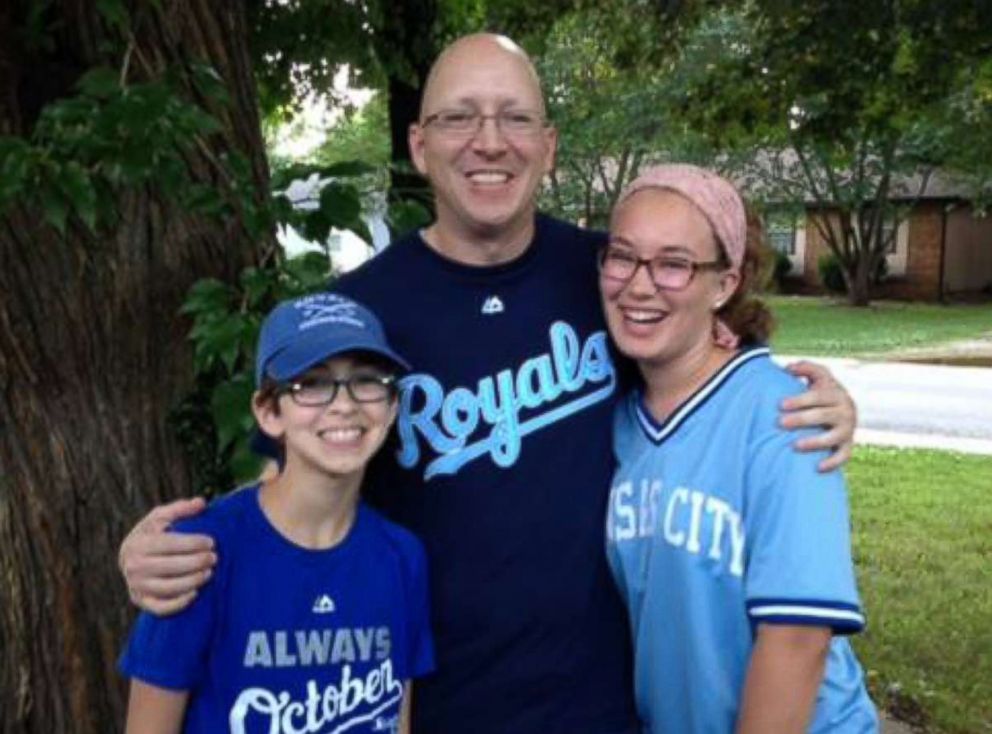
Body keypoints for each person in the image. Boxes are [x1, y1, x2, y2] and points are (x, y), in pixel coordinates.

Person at [118, 34, 858, 734]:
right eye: (458, 117)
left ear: (549, 145)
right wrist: (172, 554)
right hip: (437, 703)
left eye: (514, 117)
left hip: (601, 708)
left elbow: (709, 350)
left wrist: (821, 398)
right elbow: (283, 489)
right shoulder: (360, 315)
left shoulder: (606, 273)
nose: (490, 141)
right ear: (418, 143)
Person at [602, 164, 877, 732]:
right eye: (623, 255)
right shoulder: (618, 418)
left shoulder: (787, 415)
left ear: (724, 284)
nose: (639, 284)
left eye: (675, 264)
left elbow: (798, 639)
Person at [118, 293, 435, 734]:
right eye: (313, 384)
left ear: (392, 405)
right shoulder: (195, 553)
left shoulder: (402, 557)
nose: (344, 404)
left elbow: (396, 716)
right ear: (269, 412)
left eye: (366, 381)